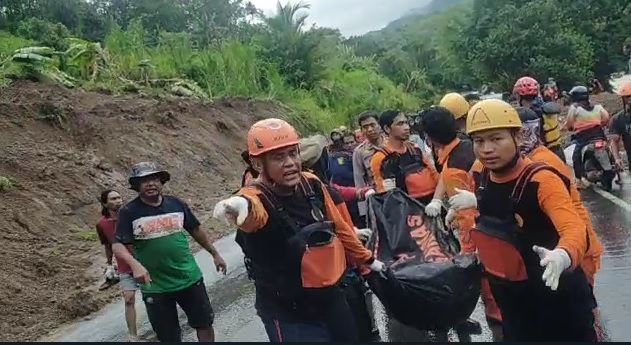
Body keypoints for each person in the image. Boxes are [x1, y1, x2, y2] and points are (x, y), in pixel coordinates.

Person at [212, 118, 386, 342]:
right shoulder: (256, 197)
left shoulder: (311, 184)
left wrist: (368, 260)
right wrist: (240, 205)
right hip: (289, 312)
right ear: (257, 164)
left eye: (293, 154)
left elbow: (340, 228)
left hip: (331, 299)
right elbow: (253, 213)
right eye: (278, 157)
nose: (290, 163)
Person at [448, 99, 599, 341]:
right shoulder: (481, 174)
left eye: (496, 139)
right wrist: (475, 200)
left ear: (517, 138)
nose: (487, 148)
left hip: (556, 295)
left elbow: (573, 226)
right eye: (479, 141)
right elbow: (501, 206)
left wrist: (563, 254)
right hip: (513, 299)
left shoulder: (542, 179)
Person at [112, 162, 227, 343]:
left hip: (189, 278)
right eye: (144, 180)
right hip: (155, 286)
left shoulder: (176, 204)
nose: (150, 184)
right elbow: (117, 245)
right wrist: (135, 266)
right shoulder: (128, 212)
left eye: (154, 179)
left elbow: (196, 230)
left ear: (161, 182)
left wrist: (215, 254)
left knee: (204, 324)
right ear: (136, 186)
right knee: (168, 336)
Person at [419, 106, 497, 341]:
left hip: (477, 228)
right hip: (491, 217)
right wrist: (440, 202)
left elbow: (468, 211)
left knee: (483, 275)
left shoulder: (454, 164)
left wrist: (469, 246)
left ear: (430, 138)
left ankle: (497, 318)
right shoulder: (465, 146)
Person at [516, 107, 604, 287]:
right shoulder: (532, 157)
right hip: (564, 240)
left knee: (583, 303)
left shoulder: (541, 162)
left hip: (576, 243)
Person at [96, 190, 140, 342]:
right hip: (124, 265)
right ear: (105, 203)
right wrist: (109, 265)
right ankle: (133, 335)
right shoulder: (102, 224)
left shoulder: (131, 215)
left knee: (154, 296)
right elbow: (108, 245)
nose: (118, 201)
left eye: (119, 198)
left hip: (142, 261)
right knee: (129, 299)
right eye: (113, 199)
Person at [370, 110, 439, 205]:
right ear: (387, 128)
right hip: (408, 209)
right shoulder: (381, 157)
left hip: (432, 203)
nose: (406, 127)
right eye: (400, 124)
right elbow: (385, 193)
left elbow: (434, 174)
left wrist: (437, 200)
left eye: (406, 123)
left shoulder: (415, 150)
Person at [565, 86, 610, 188]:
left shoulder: (574, 108)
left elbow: (569, 123)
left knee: (576, 155)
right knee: (608, 148)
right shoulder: (597, 106)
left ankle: (579, 179)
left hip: (583, 138)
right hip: (599, 135)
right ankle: (616, 167)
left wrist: (569, 127)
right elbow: (606, 118)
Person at [513, 76, 564, 160]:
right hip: (556, 151)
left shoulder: (521, 115)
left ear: (518, 96)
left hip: (536, 155)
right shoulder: (545, 108)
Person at [352, 112, 384, 224]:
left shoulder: (392, 144)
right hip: (378, 203)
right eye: (365, 127)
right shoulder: (359, 152)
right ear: (361, 130)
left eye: (372, 125)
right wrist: (365, 213)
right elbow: (359, 185)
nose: (370, 129)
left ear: (379, 125)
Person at [609, 80, 631, 171]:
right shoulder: (618, 119)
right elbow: (614, 141)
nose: (629, 99)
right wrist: (617, 158)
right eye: (627, 97)